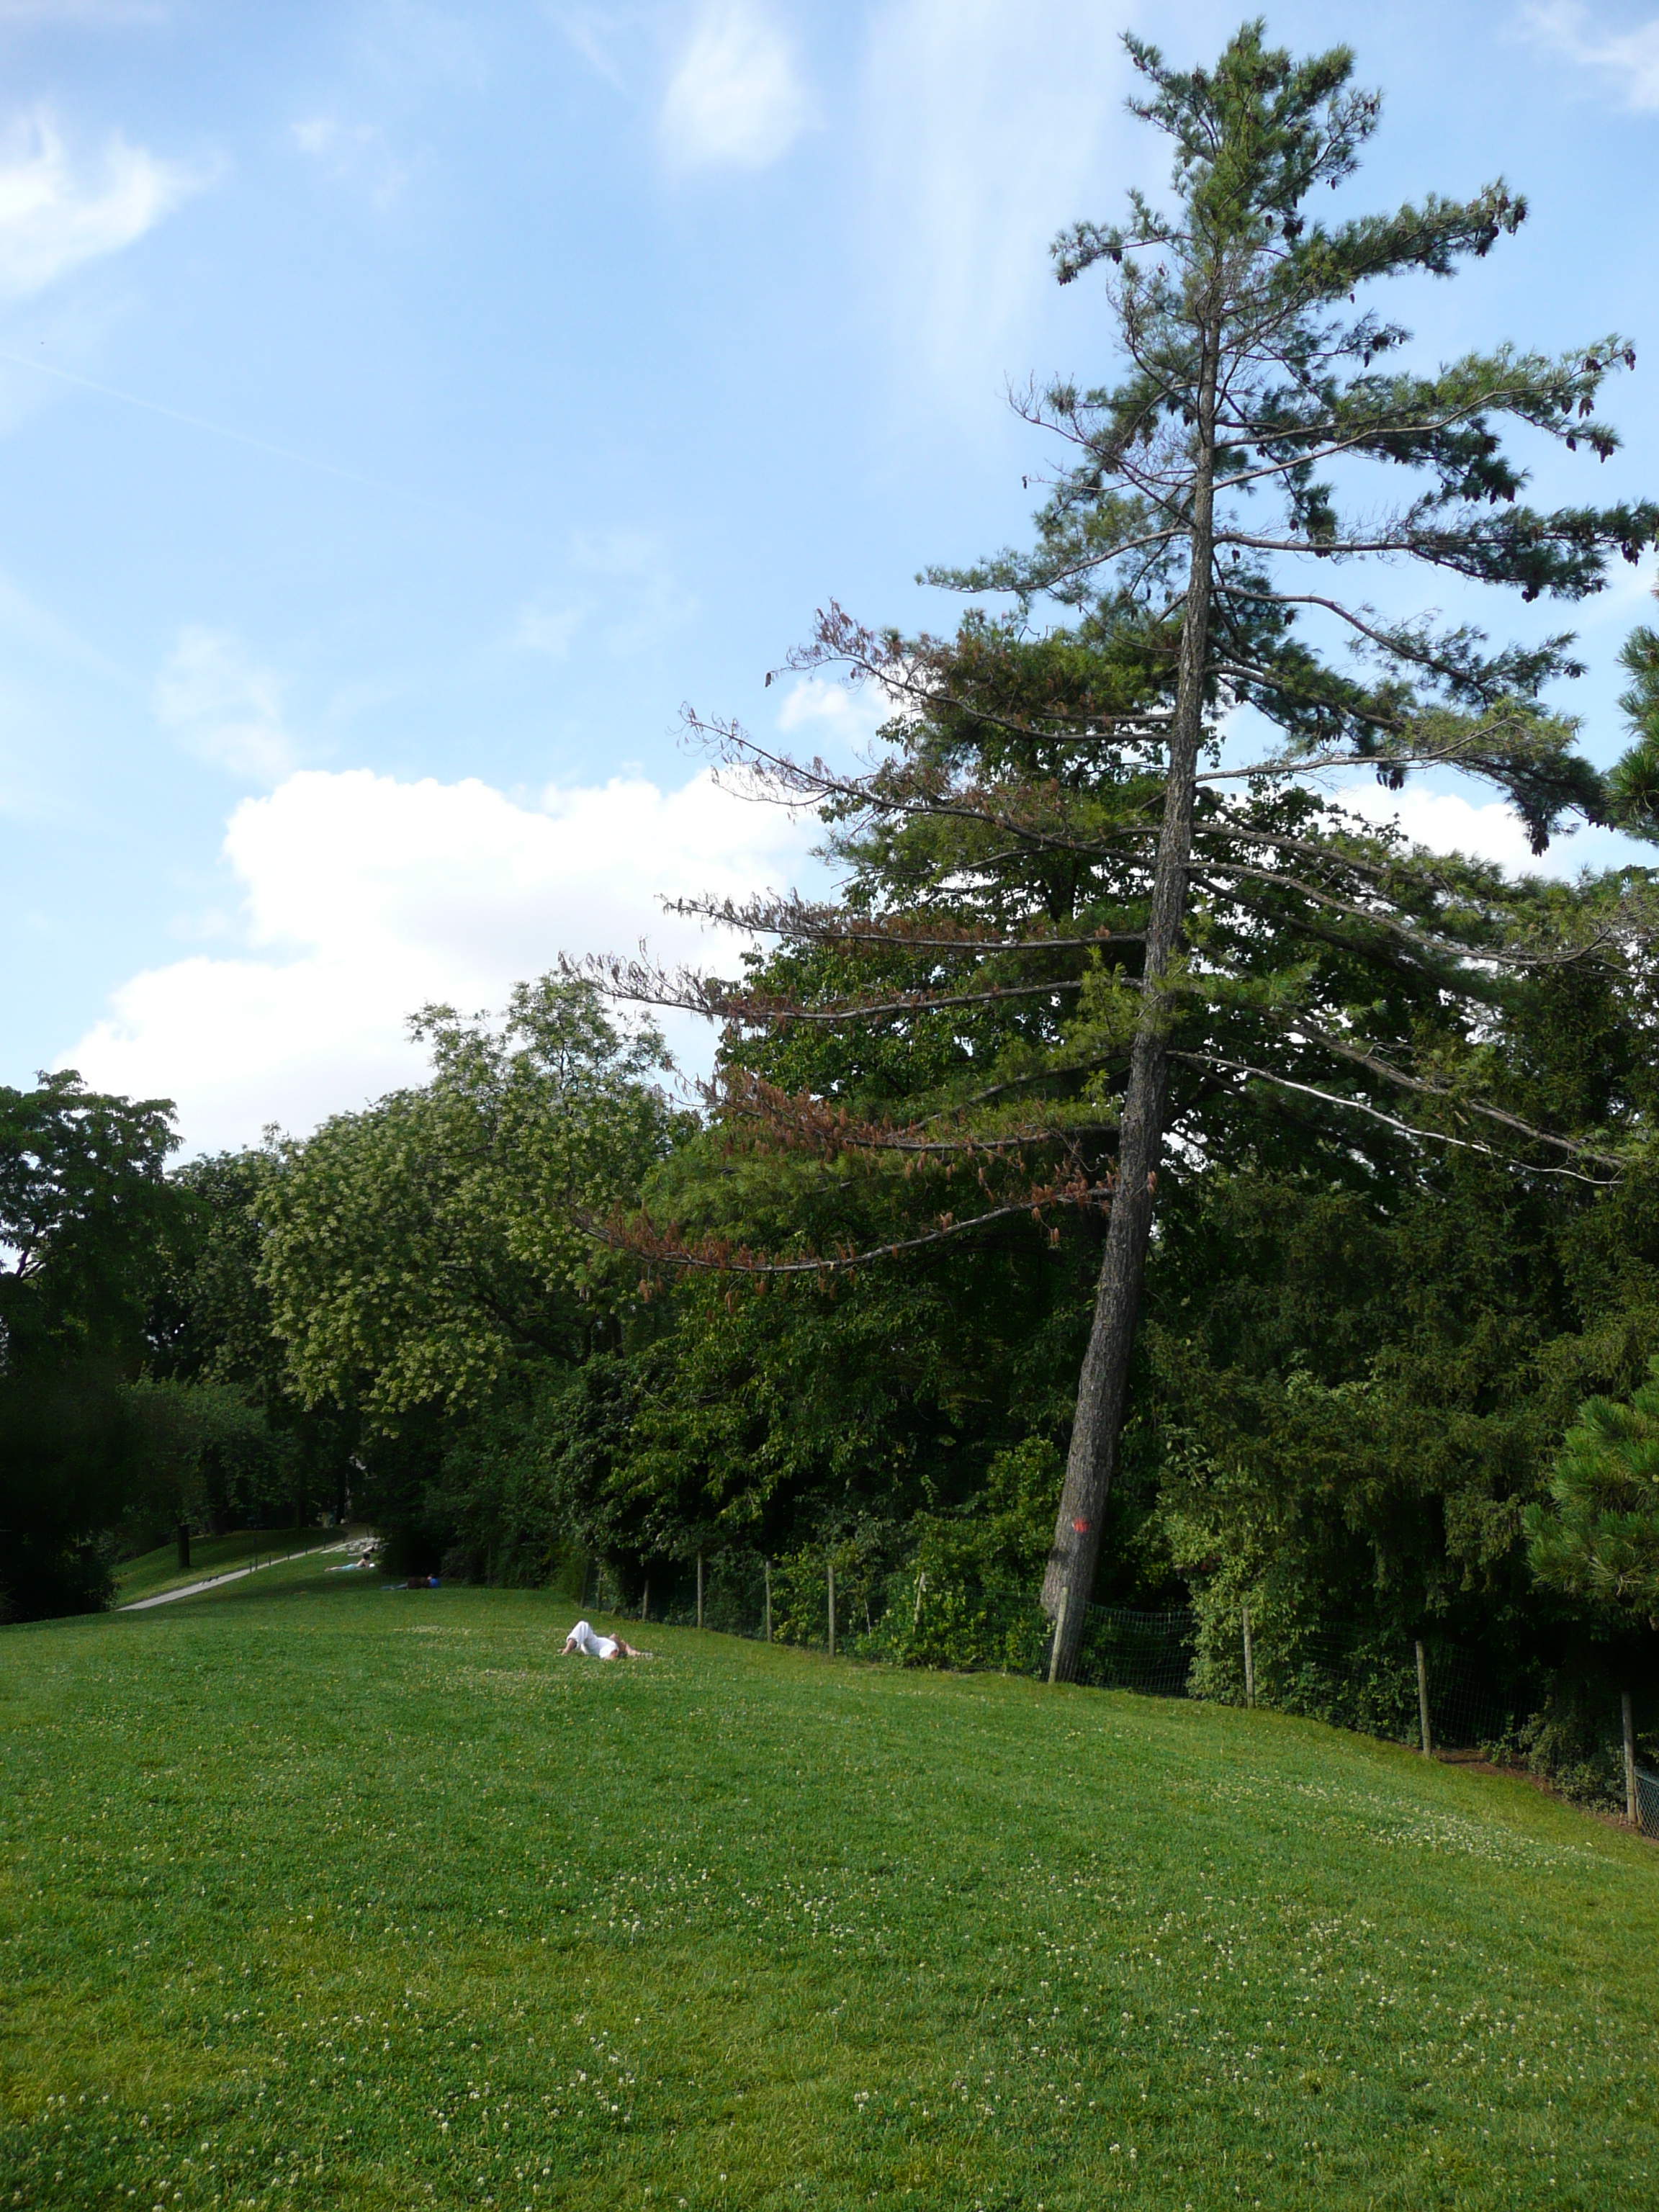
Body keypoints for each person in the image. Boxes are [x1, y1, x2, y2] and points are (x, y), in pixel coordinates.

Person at [562, 1619, 649, 1660]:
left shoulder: (621, 1646)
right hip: (596, 1642)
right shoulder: (610, 1640)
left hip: (605, 1647)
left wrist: (637, 1653)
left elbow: (629, 1650)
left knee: (611, 1650)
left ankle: (610, 1657)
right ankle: (567, 1649)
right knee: (583, 1625)